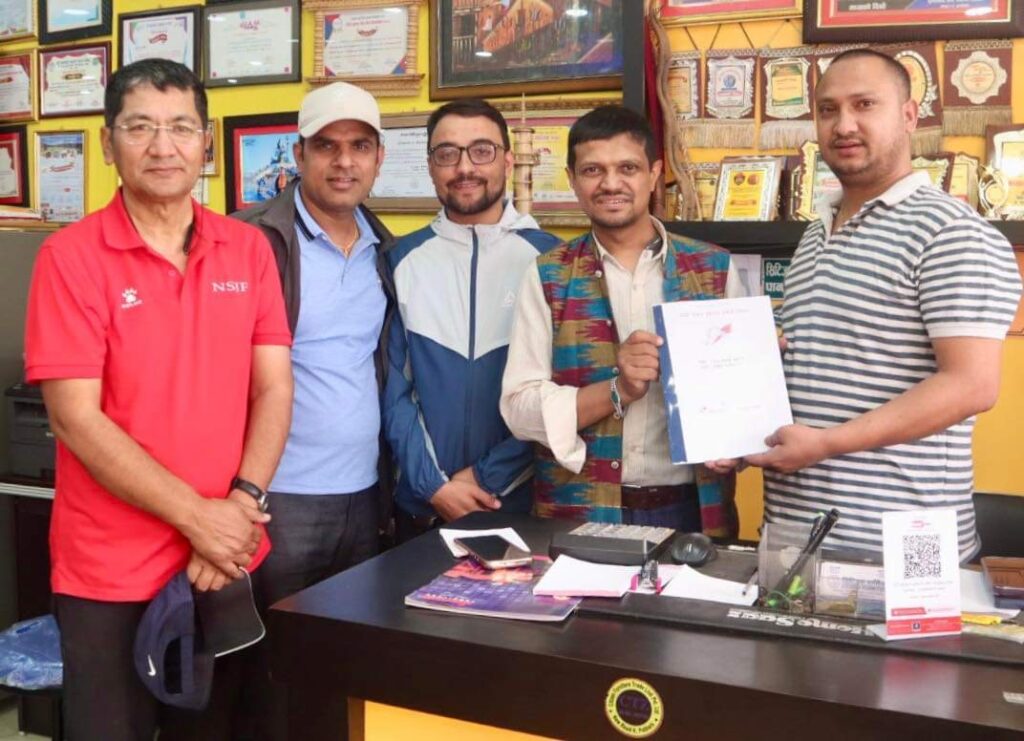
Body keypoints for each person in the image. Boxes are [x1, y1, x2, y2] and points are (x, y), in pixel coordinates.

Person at [23, 59, 293, 740]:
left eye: (180, 127)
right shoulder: (70, 257)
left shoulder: (249, 248)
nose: (162, 146)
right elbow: (74, 418)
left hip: (226, 559)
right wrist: (200, 518)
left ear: (206, 142)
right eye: (140, 127)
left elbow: (273, 385)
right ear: (108, 142)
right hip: (109, 570)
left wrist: (239, 506)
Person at [746, 49, 1023, 560]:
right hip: (793, 543)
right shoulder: (816, 234)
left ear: (909, 116)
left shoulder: (951, 233)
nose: (844, 125)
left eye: (865, 104)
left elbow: (972, 386)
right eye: (828, 109)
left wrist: (826, 444)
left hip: (899, 552)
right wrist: (740, 427)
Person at [232, 81, 395, 740]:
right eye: (326, 146)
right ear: (298, 155)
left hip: (364, 496)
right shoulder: (251, 239)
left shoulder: (385, 247)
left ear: (379, 158)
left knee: (343, 670)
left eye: (359, 146)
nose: (343, 161)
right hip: (279, 498)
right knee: (273, 674)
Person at [501, 105, 740, 532]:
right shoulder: (549, 275)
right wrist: (619, 390)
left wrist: (738, 438)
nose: (611, 184)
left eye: (627, 168)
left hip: (692, 513)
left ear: (654, 174)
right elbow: (519, 409)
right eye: (593, 170)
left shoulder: (713, 269)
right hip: (579, 515)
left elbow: (740, 398)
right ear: (572, 180)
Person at [384, 98, 560, 540]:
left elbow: (562, 390)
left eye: (482, 151)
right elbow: (391, 390)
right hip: (423, 509)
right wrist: (434, 486)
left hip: (522, 501)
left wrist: (484, 477)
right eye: (448, 153)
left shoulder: (553, 261)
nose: (465, 167)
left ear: (508, 160)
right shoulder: (399, 259)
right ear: (430, 165)